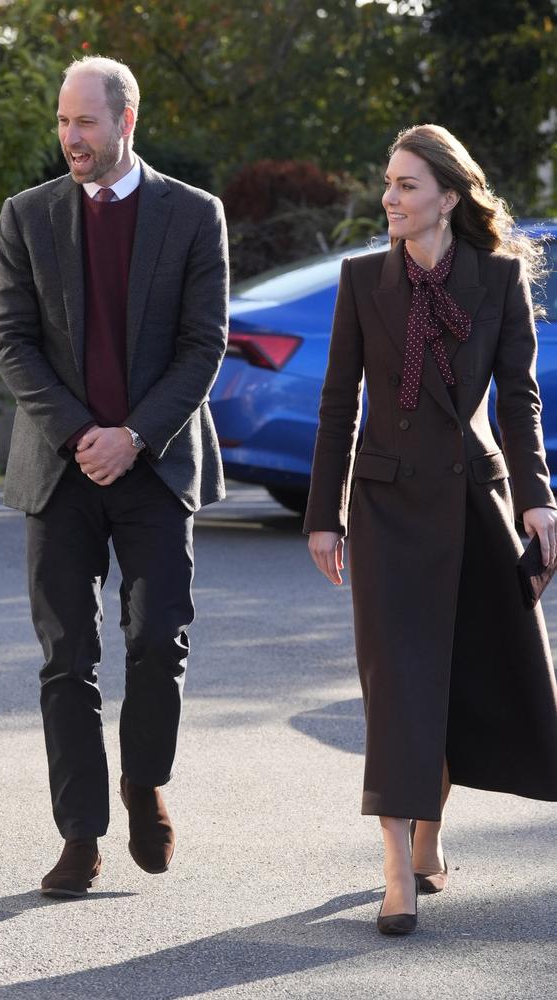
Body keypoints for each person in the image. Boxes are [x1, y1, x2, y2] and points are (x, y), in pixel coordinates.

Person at [304, 124, 557, 935]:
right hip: (384, 507)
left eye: (407, 185)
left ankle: (430, 833)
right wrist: (322, 516)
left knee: (455, 682)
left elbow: (517, 402)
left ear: (448, 197)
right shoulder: (361, 281)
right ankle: (395, 869)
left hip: (471, 507)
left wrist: (539, 500)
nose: (390, 198)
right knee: (398, 689)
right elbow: (339, 404)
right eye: (388, 183)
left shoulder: (497, 279)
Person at [0, 56, 228, 897]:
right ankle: (80, 834)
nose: (70, 138)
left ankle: (143, 781)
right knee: (67, 658)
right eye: (62, 122)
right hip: (59, 471)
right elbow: (12, 340)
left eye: (84, 122)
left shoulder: (195, 214)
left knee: (157, 642)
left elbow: (205, 345)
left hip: (156, 468)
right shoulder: (28, 215)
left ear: (126, 121)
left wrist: (133, 436)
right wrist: (82, 434)